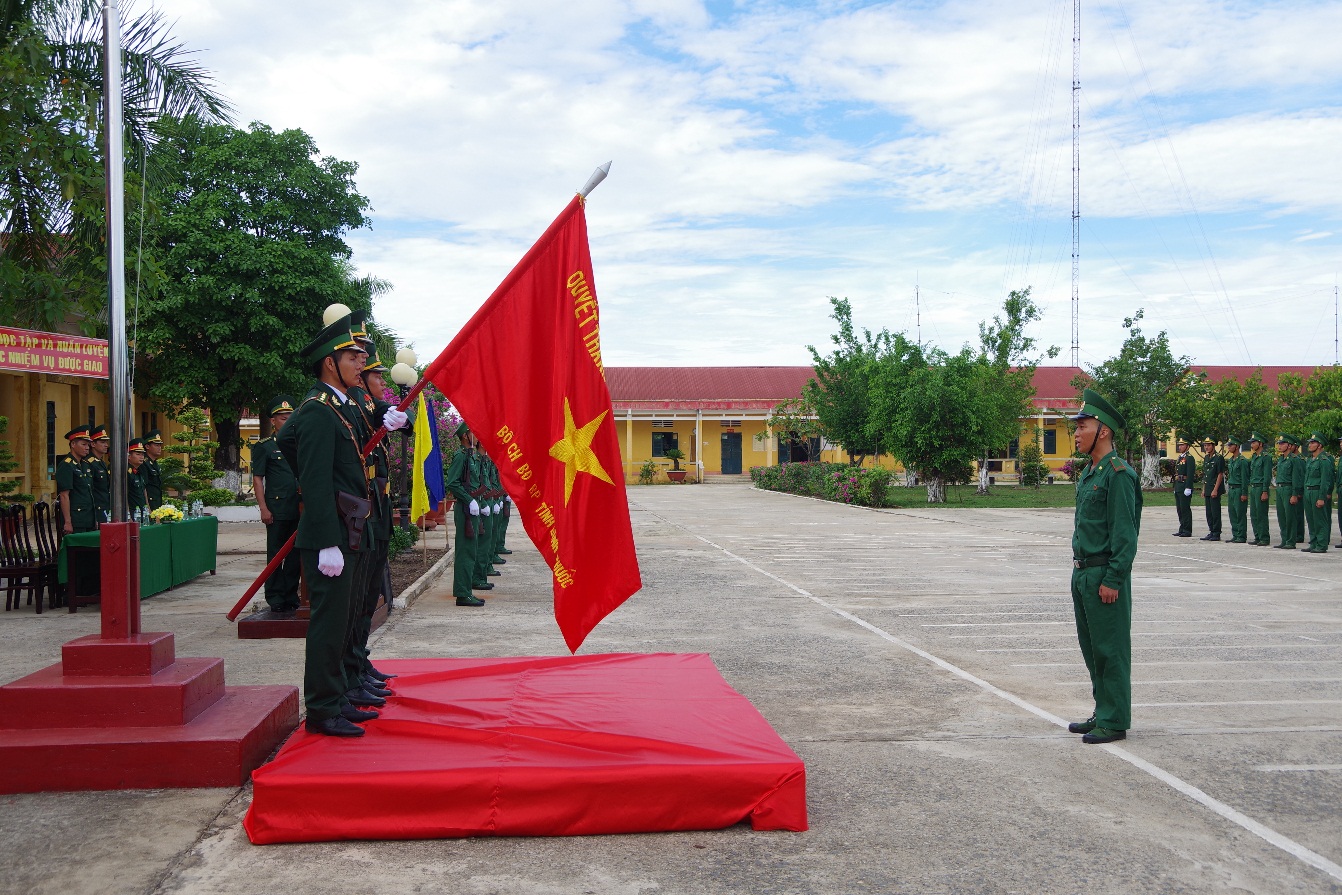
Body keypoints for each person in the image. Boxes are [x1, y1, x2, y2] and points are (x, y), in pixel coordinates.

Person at [277, 313, 381, 737]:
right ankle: (322, 709)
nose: (361, 363)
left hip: (347, 528)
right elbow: (315, 480)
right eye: (353, 357)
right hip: (331, 534)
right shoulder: (319, 412)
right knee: (328, 624)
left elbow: (290, 443)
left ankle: (336, 695)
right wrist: (325, 541)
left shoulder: (341, 407)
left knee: (344, 620)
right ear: (329, 363)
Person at [1067, 388, 1141, 745]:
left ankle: (1114, 719)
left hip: (1103, 575)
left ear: (1104, 430)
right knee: (1093, 648)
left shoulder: (1118, 474)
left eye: (1083, 426)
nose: (1077, 433)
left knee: (1111, 649)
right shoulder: (1092, 472)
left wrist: (1114, 578)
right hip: (1083, 572)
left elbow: (1125, 535)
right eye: (1076, 427)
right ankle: (1103, 710)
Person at [344, 342, 403, 691]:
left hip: (377, 513)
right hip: (360, 515)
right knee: (356, 598)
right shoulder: (349, 405)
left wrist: (400, 416)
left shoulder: (368, 405)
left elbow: (392, 415)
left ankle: (359, 660)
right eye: (376, 376)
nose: (382, 382)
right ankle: (351, 668)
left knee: (369, 596)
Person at [250, 396, 301, 614]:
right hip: (277, 509)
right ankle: (275, 596)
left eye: (290, 418)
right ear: (273, 421)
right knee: (275, 555)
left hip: (298, 507)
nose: (287, 421)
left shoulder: (298, 444)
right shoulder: (265, 447)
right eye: (282, 418)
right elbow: (258, 479)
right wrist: (263, 508)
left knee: (295, 556)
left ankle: (290, 595)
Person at [444, 422, 486, 607]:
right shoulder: (461, 457)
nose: (476, 436)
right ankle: (462, 593)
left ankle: (466, 590)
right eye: (473, 433)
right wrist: (469, 500)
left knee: (472, 550)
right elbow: (453, 483)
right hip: (465, 510)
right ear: (464, 436)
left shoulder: (471, 457)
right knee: (465, 551)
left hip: (472, 508)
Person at [56, 426, 95, 535]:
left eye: (88, 445)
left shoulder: (84, 465)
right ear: (73, 444)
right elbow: (64, 495)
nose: (87, 448)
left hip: (88, 518)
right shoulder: (66, 465)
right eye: (83, 444)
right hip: (76, 519)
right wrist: (68, 522)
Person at [1302, 432, 1334, 554]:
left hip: (1317, 492)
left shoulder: (1324, 460)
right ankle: (1314, 542)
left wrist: (1322, 497)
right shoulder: (1310, 460)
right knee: (1311, 519)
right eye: (1310, 443)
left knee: (1320, 520)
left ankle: (1321, 544)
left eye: (1313, 443)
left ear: (1319, 445)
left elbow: (1325, 481)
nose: (1310, 445)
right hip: (1309, 492)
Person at [1274, 436, 1303, 550]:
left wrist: (1295, 494)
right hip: (1280, 488)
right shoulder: (1281, 459)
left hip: (1288, 489)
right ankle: (1284, 539)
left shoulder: (1294, 459)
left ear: (1289, 445)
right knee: (1281, 516)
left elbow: (1296, 478)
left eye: (1282, 443)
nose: (1280, 446)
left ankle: (1291, 541)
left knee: (1290, 516)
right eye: (1279, 443)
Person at [1248, 433, 1273, 546]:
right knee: (1254, 514)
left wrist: (1264, 491)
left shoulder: (1266, 457)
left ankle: (1264, 537)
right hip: (1253, 487)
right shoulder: (1254, 457)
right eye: (1251, 442)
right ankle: (1257, 536)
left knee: (1261, 513)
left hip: (1260, 488)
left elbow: (1267, 475)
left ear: (1261, 443)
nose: (1252, 445)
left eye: (1254, 442)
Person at [1199, 436, 1225, 541]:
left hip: (1215, 488)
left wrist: (1215, 489)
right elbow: (1206, 475)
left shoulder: (1218, 457)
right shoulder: (1206, 458)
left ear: (1213, 446)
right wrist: (1204, 489)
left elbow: (1220, 474)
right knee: (1208, 512)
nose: (1206, 447)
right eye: (1205, 445)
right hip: (1208, 487)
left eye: (1209, 445)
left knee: (1215, 512)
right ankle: (1211, 531)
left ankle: (1216, 532)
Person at [1223, 438, 1248, 544]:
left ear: (1237, 446)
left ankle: (1241, 535)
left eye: (1231, 445)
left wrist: (1244, 493)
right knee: (1232, 512)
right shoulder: (1231, 460)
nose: (1228, 447)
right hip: (1232, 489)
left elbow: (1244, 478)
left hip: (1238, 489)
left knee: (1240, 513)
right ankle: (1235, 534)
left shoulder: (1242, 461)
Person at [87, 424, 111, 524]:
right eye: (102, 442)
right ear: (93, 444)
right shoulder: (89, 463)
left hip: (104, 506)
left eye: (106, 442)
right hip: (96, 508)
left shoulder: (101, 462)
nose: (106, 445)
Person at [1171, 436, 1195, 537]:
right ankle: (1182, 527)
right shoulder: (1180, 457)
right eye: (1179, 445)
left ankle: (1187, 530)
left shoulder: (1189, 458)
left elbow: (1190, 474)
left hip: (1185, 485)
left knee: (1185, 508)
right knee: (1179, 509)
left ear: (1187, 446)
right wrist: (1175, 487)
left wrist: (1188, 487)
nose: (1180, 447)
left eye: (1182, 445)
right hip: (1178, 486)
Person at [140, 429, 165, 510]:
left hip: (156, 503)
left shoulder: (154, 463)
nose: (159, 448)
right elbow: (144, 488)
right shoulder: (144, 463)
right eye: (156, 445)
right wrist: (148, 508)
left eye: (160, 445)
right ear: (147, 446)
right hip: (149, 505)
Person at [127, 439, 148, 513]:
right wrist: (128, 514)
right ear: (129, 456)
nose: (141, 457)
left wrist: (148, 509)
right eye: (138, 454)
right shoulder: (127, 473)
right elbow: (124, 495)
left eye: (142, 454)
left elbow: (144, 491)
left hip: (142, 511)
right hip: (133, 512)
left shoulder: (139, 471)